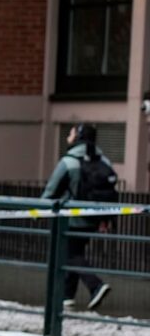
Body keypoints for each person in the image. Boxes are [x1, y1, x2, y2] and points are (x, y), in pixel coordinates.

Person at [42, 123, 114, 310]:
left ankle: (95, 285)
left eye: (71, 133)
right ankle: (67, 297)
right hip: (92, 219)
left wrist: (37, 210)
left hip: (71, 219)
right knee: (75, 253)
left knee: (70, 254)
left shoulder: (69, 162)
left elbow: (51, 189)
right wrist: (105, 219)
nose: (68, 136)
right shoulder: (104, 161)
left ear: (78, 137)